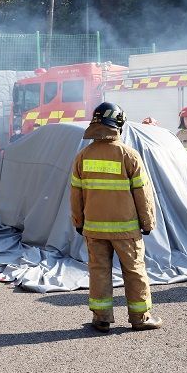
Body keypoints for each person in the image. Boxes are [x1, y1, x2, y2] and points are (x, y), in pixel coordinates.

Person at [70, 102, 162, 333]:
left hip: (94, 230)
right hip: (126, 231)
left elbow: (75, 195)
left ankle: (101, 318)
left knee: (99, 272)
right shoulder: (129, 155)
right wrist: (148, 222)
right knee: (134, 271)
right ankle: (140, 317)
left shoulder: (82, 157)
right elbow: (143, 194)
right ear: (118, 124)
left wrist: (79, 223)